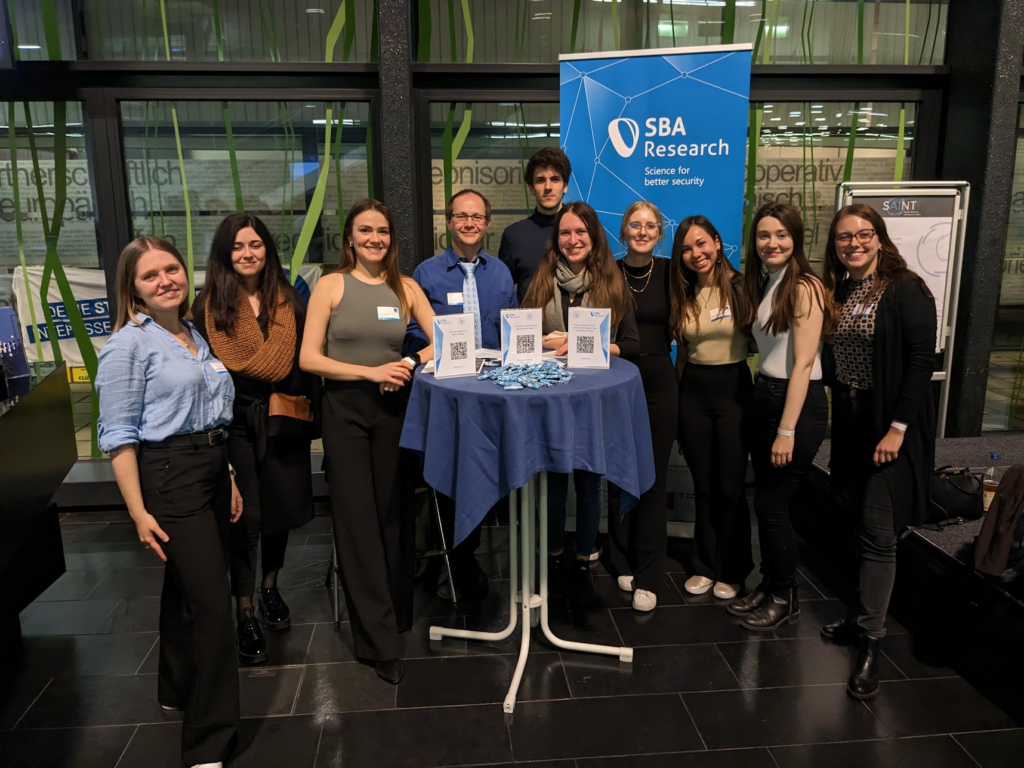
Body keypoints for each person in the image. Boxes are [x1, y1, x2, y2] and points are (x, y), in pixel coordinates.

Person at [96, 236, 241, 768]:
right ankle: (208, 742)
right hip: (167, 474)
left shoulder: (191, 333)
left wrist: (226, 474)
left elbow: (208, 415)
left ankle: (176, 688)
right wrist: (137, 512)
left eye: (172, 269)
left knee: (184, 587)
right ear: (132, 289)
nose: (165, 281)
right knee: (211, 607)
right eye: (150, 275)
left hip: (209, 466)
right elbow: (118, 436)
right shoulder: (127, 346)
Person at [300, 198, 435, 685]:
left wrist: (410, 364)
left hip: (395, 411)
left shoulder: (406, 287)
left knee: (394, 517)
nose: (375, 238)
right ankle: (379, 643)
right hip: (345, 413)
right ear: (350, 238)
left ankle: (396, 616)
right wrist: (368, 371)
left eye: (382, 231)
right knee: (358, 524)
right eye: (365, 230)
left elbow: (445, 340)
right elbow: (309, 358)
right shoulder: (331, 286)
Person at [820, 203, 937, 700]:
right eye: (844, 237)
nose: (854, 243)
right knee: (854, 519)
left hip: (892, 426)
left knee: (877, 530)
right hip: (850, 422)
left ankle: (871, 640)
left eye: (863, 234)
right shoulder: (841, 289)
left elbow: (920, 363)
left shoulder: (906, 288)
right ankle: (858, 615)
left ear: (880, 237)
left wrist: (897, 428)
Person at [190, 213, 319, 664]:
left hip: (282, 420)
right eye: (238, 247)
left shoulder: (288, 299)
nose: (248, 254)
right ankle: (243, 606)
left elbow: (301, 362)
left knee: (280, 510)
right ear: (225, 255)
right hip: (235, 425)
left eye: (256, 245)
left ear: (268, 250)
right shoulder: (207, 306)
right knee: (243, 517)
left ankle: (270, 587)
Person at [521, 201, 640, 604]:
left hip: (593, 403)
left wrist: (580, 343)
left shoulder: (612, 282)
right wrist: (546, 344)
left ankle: (586, 555)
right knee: (553, 484)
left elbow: (632, 345)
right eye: (565, 233)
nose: (573, 240)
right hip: (551, 402)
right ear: (557, 239)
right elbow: (521, 339)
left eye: (580, 233)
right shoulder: (540, 281)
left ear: (594, 238)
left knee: (590, 483)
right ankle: (553, 556)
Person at [405, 189, 517, 600]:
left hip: (490, 394)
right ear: (449, 222)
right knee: (448, 473)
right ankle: (454, 557)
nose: (469, 223)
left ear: (487, 223)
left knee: (485, 470)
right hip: (447, 395)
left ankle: (464, 553)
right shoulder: (426, 274)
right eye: (461, 217)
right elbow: (413, 333)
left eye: (477, 217)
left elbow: (511, 328)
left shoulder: (501, 274)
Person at [727, 203, 832, 630]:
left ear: (796, 240)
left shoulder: (806, 287)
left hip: (795, 404)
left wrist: (786, 430)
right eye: (764, 235)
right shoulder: (770, 282)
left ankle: (786, 595)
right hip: (765, 395)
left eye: (781, 235)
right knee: (766, 504)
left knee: (773, 507)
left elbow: (804, 365)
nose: (772, 243)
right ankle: (770, 585)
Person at [670, 215, 753, 601]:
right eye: (687, 248)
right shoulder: (683, 293)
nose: (695, 253)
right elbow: (684, 353)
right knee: (703, 486)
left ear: (718, 244)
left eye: (702, 244)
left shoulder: (741, 287)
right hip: (694, 392)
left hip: (734, 388)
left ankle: (734, 568)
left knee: (731, 488)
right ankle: (704, 565)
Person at [607, 201, 676, 612]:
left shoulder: (671, 272)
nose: (643, 231)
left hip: (658, 385)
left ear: (660, 232)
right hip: (618, 382)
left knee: (652, 478)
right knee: (619, 473)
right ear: (624, 229)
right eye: (635, 224)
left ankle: (650, 571)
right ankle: (620, 558)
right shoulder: (608, 273)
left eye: (651, 225)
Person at [499, 146, 571, 302]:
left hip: (577, 324)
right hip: (529, 324)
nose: (548, 187)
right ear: (531, 188)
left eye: (555, 179)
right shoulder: (514, 236)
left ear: (565, 186)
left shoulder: (584, 231)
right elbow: (503, 293)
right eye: (540, 180)